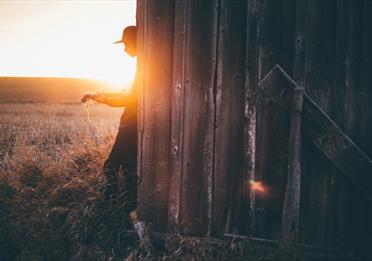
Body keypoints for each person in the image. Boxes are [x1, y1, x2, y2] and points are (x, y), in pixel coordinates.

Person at [81, 26, 138, 207]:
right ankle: (129, 206)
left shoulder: (145, 68)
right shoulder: (143, 66)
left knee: (110, 166)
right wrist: (98, 95)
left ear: (136, 43)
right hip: (132, 126)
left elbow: (131, 98)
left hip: (131, 126)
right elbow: (127, 93)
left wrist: (104, 98)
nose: (125, 49)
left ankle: (110, 204)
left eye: (127, 44)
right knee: (129, 169)